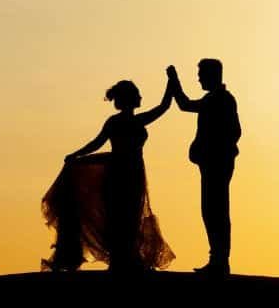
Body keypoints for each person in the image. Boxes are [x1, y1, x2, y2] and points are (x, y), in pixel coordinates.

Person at [41, 71, 176, 273]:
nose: (140, 97)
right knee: (124, 217)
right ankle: (123, 261)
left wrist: (171, 83)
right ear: (130, 99)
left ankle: (125, 259)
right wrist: (172, 82)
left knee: (128, 217)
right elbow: (97, 143)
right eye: (137, 94)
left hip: (129, 174)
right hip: (123, 174)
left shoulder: (125, 121)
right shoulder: (125, 122)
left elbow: (163, 106)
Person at [168, 59, 240, 276]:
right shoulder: (213, 99)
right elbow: (185, 105)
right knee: (211, 210)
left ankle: (220, 261)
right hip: (212, 162)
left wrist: (174, 81)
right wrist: (174, 82)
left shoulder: (222, 99)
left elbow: (235, 131)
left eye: (201, 74)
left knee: (215, 210)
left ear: (212, 75)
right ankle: (217, 259)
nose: (198, 78)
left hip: (217, 162)